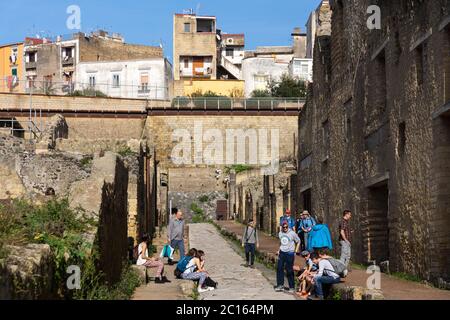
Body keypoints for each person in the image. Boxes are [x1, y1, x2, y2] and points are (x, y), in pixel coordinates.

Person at [275, 222, 300, 293]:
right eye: (284, 227)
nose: (285, 228)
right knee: (279, 268)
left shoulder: (292, 233)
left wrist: (295, 251)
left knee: (289, 270)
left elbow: (298, 241)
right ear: (282, 227)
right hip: (282, 252)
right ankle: (280, 285)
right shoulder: (280, 233)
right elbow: (280, 242)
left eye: (286, 227)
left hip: (290, 253)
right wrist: (278, 250)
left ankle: (291, 287)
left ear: (288, 227)